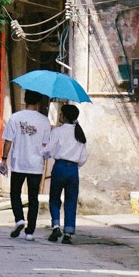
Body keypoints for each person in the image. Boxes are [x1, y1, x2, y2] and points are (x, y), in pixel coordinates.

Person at [0, 91, 51, 240]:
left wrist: (4, 159)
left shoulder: (15, 118)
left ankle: (19, 219)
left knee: (15, 193)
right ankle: (30, 232)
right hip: (36, 164)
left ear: (25, 99)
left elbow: (8, 141)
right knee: (33, 197)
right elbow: (45, 144)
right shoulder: (44, 121)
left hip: (19, 163)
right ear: (39, 102)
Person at [45, 104, 87, 244]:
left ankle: (56, 226)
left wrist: (42, 154)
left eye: (61, 114)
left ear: (65, 116)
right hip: (73, 170)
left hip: (60, 167)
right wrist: (74, 165)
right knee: (71, 201)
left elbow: (49, 150)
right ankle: (68, 233)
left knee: (54, 198)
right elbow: (83, 157)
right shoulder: (79, 133)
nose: (59, 116)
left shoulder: (57, 131)